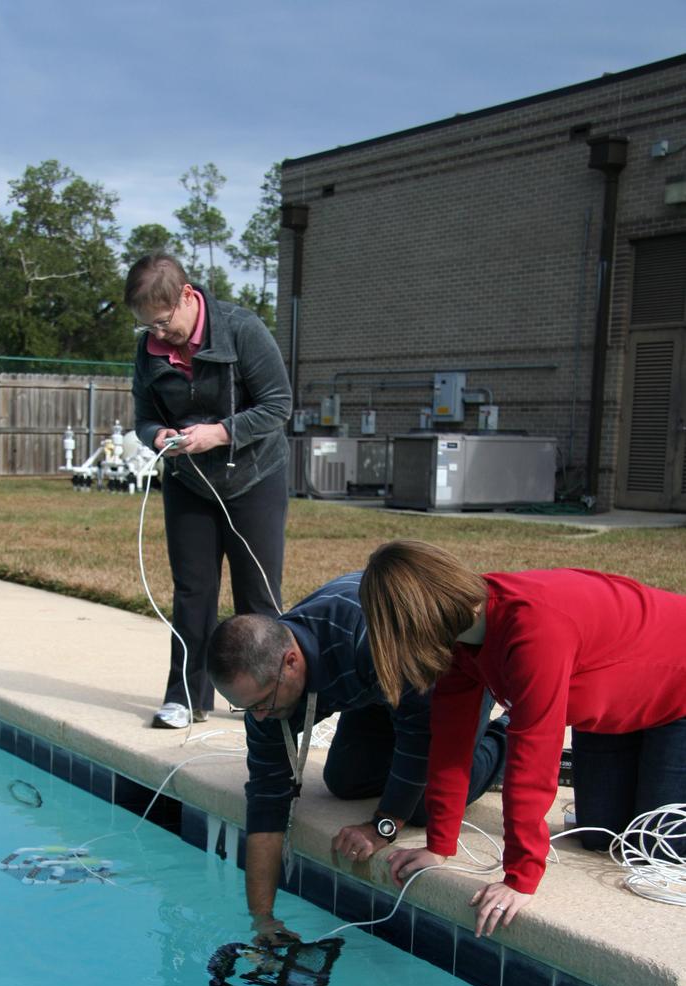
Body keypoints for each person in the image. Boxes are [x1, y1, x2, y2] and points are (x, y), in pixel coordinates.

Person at [359, 540, 686, 939]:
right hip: (615, 708)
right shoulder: (460, 641)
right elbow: (450, 743)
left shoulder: (535, 630)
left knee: (657, 850)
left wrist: (521, 877)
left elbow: (533, 759)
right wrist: (438, 845)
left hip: (677, 695)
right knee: (601, 835)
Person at [206, 572, 508, 943]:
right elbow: (267, 801)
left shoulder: (364, 641)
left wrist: (384, 826)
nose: (260, 718)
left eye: (263, 704)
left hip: (447, 671)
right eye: (245, 708)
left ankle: (504, 738)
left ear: (291, 662)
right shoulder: (264, 690)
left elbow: (419, 734)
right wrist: (263, 920)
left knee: (424, 807)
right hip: (381, 687)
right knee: (345, 781)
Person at [125, 254, 292, 729]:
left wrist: (220, 432)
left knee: (257, 594)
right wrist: (156, 436)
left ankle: (269, 700)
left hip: (255, 478)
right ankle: (185, 698)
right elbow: (143, 418)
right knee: (193, 592)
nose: (157, 335)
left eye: (162, 322)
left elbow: (279, 405)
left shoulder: (242, 329)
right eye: (146, 326)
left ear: (186, 296)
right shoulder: (149, 350)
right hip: (188, 483)